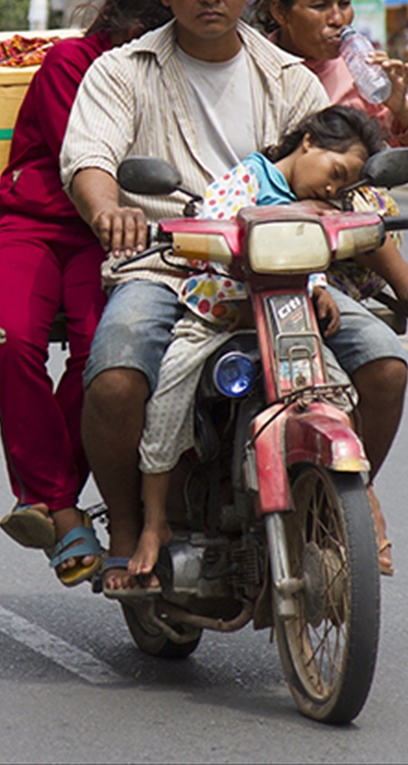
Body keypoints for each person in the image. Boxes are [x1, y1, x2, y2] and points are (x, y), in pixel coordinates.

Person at [60, 0, 330, 595]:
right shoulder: (123, 72)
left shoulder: (293, 80)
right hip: (164, 267)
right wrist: (108, 210)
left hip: (278, 274)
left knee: (384, 367)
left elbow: (330, 170)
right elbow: (89, 159)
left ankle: (335, 516)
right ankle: (127, 527)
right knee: (117, 375)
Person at [0, 0, 172, 587]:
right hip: (37, 226)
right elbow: (92, 159)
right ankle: (60, 509)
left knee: (105, 360)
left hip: (109, 239)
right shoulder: (74, 64)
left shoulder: (181, 67)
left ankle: (47, 494)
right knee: (8, 341)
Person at [128, 105, 391, 581]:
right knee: (167, 404)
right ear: (308, 141)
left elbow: (310, 254)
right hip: (216, 319)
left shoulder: (319, 208)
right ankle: (153, 524)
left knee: (337, 398)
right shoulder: (248, 179)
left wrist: (317, 289)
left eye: (343, 184)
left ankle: (347, 500)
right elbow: (214, 215)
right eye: (335, 173)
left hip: (286, 320)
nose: (333, 189)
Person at [257, 0, 408, 344]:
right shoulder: (254, 66)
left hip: (351, 240)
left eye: (344, 3)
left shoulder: (361, 73)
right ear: (280, 11)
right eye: (320, 6)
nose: (338, 19)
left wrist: (400, 108)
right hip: (272, 229)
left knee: (349, 188)